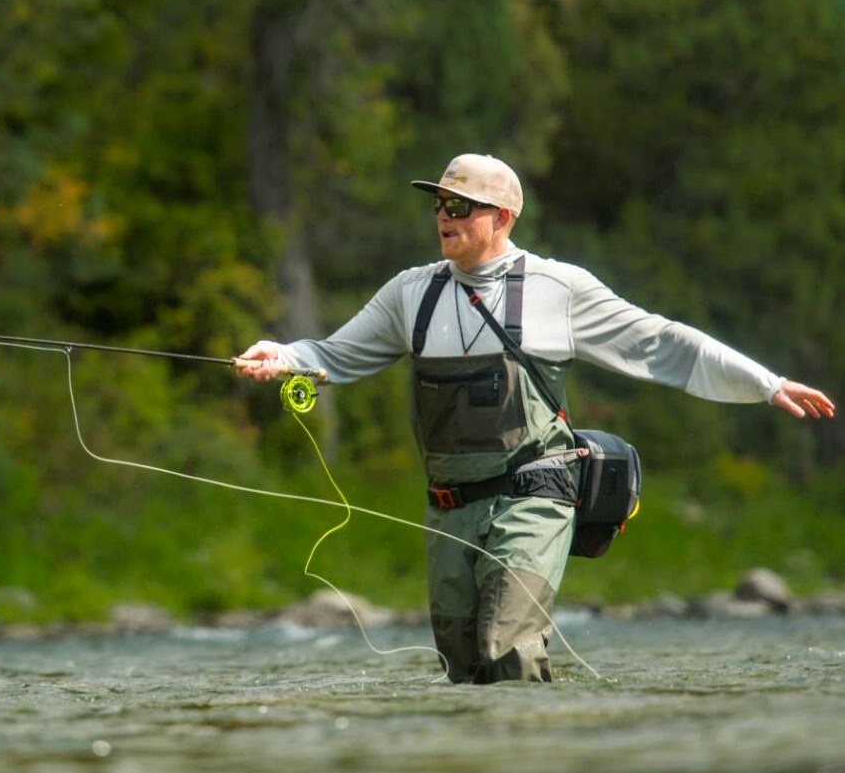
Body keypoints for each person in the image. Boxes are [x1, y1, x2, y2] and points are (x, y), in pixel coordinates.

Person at [234, 153, 835, 684]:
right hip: (450, 505)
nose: (445, 216)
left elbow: (663, 343)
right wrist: (281, 357)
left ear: (502, 218)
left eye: (463, 206)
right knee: (463, 664)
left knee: (507, 651)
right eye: (441, 204)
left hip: (535, 496)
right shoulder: (409, 294)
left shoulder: (559, 288)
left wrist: (766, 383)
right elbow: (334, 355)